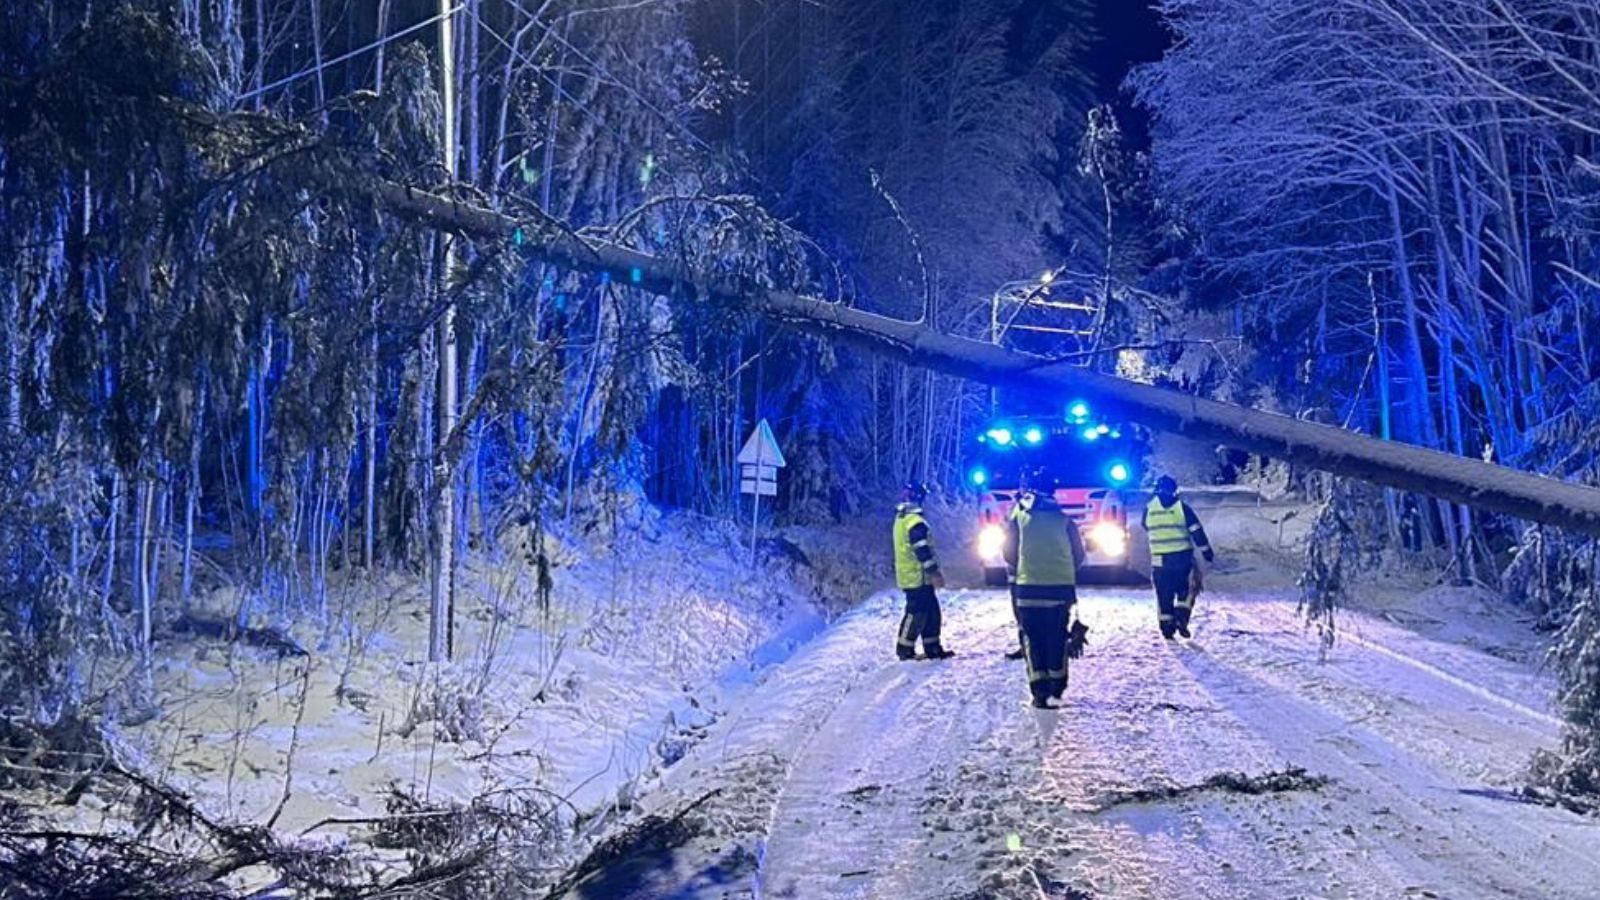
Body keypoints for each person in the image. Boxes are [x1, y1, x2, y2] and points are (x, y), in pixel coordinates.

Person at [1004, 482, 1086, 708]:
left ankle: (1039, 691)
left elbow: (1008, 553)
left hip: (1027, 590)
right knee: (1057, 637)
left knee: (1032, 639)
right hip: (1059, 591)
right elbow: (1079, 555)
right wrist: (1062, 571)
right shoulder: (1066, 522)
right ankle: (1057, 686)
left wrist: (1026, 569)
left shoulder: (1019, 520)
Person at [1143, 475, 1215, 639]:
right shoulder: (1182, 508)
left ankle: (1167, 628)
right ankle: (1181, 618)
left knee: (1163, 595)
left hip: (1159, 561)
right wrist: (1206, 551)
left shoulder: (1149, 509)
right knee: (1188, 590)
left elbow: (1145, 526)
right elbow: (1196, 531)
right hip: (1182, 558)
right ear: (1174, 490)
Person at [893, 481, 954, 660]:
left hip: (915, 576)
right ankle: (904, 648)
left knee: (932, 612)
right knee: (916, 612)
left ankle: (932, 647)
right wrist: (934, 572)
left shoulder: (902, 518)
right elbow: (922, 551)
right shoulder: (915, 522)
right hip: (917, 577)